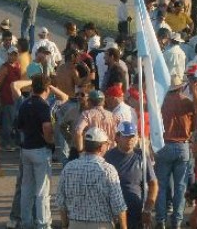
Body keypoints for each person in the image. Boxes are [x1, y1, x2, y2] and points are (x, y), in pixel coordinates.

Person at [57, 127, 128, 229]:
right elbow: (118, 205)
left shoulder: (69, 167)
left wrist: (65, 225)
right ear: (101, 147)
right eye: (106, 144)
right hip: (101, 224)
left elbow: (60, 201)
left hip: (75, 224)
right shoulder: (108, 170)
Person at [155, 75, 196, 228]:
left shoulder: (162, 102)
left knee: (161, 185)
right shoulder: (187, 102)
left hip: (165, 144)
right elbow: (193, 125)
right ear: (181, 87)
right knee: (180, 187)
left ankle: (161, 220)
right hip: (182, 146)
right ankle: (177, 222)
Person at [16, 74, 55, 228]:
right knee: (42, 191)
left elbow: (19, 126)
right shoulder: (43, 106)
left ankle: (26, 222)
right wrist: (50, 141)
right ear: (46, 88)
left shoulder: (25, 104)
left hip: (26, 148)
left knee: (26, 189)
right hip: (40, 149)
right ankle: (43, 224)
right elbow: (46, 127)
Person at [105, 122, 158, 229]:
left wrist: (148, 209)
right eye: (126, 136)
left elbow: (153, 184)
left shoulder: (142, 156)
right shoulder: (108, 157)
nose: (130, 139)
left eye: (132, 136)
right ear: (117, 137)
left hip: (136, 211)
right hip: (113, 212)